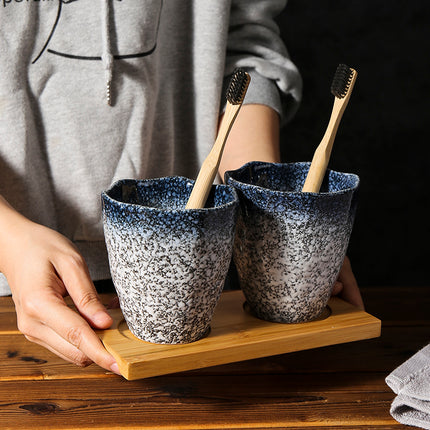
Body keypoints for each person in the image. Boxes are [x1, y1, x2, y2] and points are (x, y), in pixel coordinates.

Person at [0, 0, 363, 375]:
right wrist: (8, 239)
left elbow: (243, 48)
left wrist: (272, 218)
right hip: (22, 289)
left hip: (205, 279)